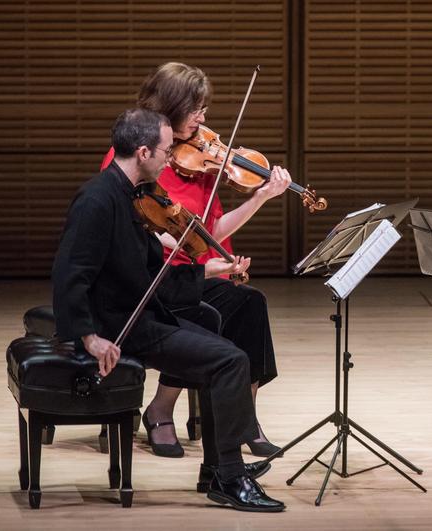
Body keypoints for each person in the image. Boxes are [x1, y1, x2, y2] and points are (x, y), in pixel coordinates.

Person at [52, 108, 285, 511]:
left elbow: (154, 275)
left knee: (215, 328)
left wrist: (207, 269)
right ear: (143, 152)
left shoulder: (134, 198)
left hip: (142, 314)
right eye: (164, 150)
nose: (171, 157)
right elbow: (69, 275)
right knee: (231, 361)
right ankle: (230, 477)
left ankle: (217, 467)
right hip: (124, 326)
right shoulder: (98, 201)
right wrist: (90, 338)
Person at [100, 62, 290, 458]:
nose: (203, 119)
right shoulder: (135, 159)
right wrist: (202, 264)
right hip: (150, 281)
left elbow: (212, 231)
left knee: (249, 302)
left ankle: (244, 417)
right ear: (170, 106)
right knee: (196, 310)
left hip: (191, 273)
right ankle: (160, 409)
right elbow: (148, 235)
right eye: (196, 109)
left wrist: (259, 198)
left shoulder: (201, 164)